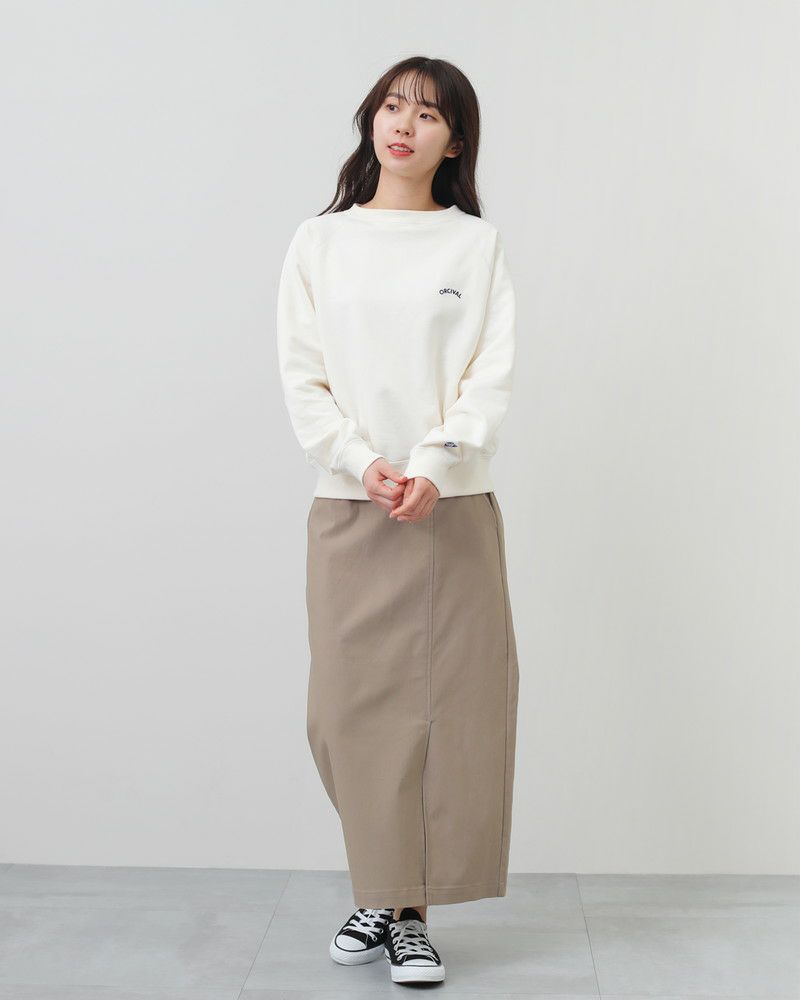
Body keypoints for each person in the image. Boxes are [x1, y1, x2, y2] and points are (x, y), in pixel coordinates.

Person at [276, 55, 520, 985]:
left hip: (449, 510)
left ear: (454, 141)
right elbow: (303, 375)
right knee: (346, 715)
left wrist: (434, 463)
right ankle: (381, 886)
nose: (404, 125)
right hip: (351, 504)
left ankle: (406, 913)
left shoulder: (475, 246)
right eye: (391, 106)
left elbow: (490, 373)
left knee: (449, 714)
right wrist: (360, 459)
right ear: (371, 121)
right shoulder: (320, 243)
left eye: (427, 114)